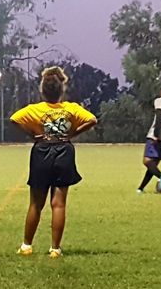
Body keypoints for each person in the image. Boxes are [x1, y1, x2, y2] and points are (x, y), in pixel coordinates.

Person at [12, 67, 98, 258]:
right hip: (64, 151)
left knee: (35, 203)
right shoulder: (71, 109)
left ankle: (27, 246)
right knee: (58, 204)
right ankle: (55, 249)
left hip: (42, 151)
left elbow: (14, 119)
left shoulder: (35, 109)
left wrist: (32, 134)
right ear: (61, 91)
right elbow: (92, 120)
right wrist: (73, 133)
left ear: (42, 90)